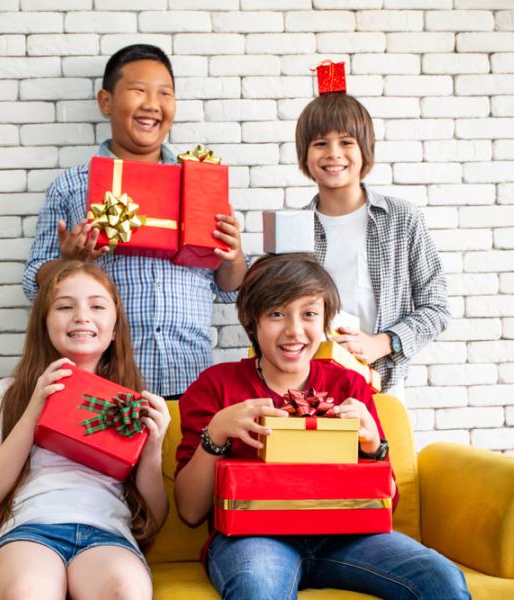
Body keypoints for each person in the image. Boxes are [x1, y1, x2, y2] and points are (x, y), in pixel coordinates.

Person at [174, 254, 470, 599]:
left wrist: (374, 448)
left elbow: (386, 504)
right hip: (252, 537)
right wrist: (215, 435)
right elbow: (190, 512)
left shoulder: (348, 385)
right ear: (252, 322)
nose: (294, 330)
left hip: (347, 535)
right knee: (257, 587)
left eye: (309, 314)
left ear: (325, 320)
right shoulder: (216, 386)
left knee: (440, 578)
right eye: (276, 313)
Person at [22, 43, 247, 399]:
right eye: (139, 91)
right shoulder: (72, 186)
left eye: (164, 93)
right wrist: (70, 263)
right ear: (106, 102)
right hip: (103, 380)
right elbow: (34, 283)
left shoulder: (200, 184)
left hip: (190, 377)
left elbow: (227, 288)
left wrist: (233, 256)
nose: (152, 104)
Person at [0, 261, 170, 600]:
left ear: (115, 330)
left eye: (97, 306)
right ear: (43, 324)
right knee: (27, 591)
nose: (81, 316)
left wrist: (153, 448)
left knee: (126, 592)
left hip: (107, 535)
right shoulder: (6, 394)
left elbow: (154, 518)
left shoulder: (133, 404)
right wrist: (34, 411)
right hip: (28, 532)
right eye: (64, 306)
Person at [295, 91, 450, 399]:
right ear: (305, 155)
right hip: (310, 389)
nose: (333, 153)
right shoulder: (293, 228)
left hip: (383, 386)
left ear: (365, 149)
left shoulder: (402, 219)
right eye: (320, 143)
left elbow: (437, 308)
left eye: (346, 142)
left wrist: (382, 343)